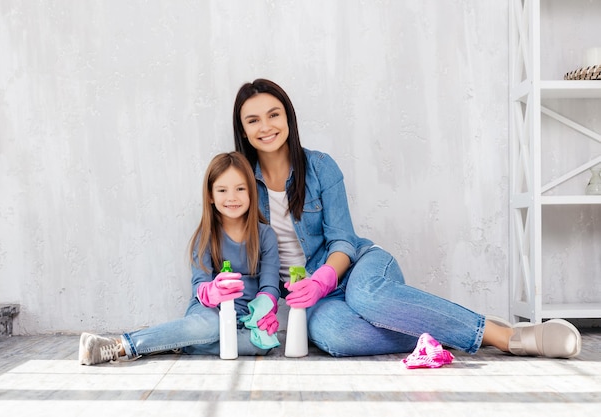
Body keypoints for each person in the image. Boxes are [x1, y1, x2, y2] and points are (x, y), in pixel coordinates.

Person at [232, 78, 582, 359]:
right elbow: (239, 252)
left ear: (288, 118)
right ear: (243, 131)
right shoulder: (239, 185)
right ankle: (448, 329)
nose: (266, 126)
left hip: (356, 270)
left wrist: (323, 278)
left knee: (368, 298)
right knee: (335, 336)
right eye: (253, 120)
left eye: (273, 114)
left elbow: (343, 241)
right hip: (310, 301)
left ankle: (504, 336)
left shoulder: (321, 167)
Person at [78, 152, 281, 365]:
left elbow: (269, 286)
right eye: (222, 190)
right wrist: (212, 292)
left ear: (252, 192)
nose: (232, 197)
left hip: (247, 317)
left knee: (262, 344)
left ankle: (179, 340)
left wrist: (263, 311)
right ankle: (122, 345)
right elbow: (200, 287)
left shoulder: (265, 236)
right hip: (209, 312)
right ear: (211, 196)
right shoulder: (205, 236)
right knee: (208, 328)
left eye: (240, 189)